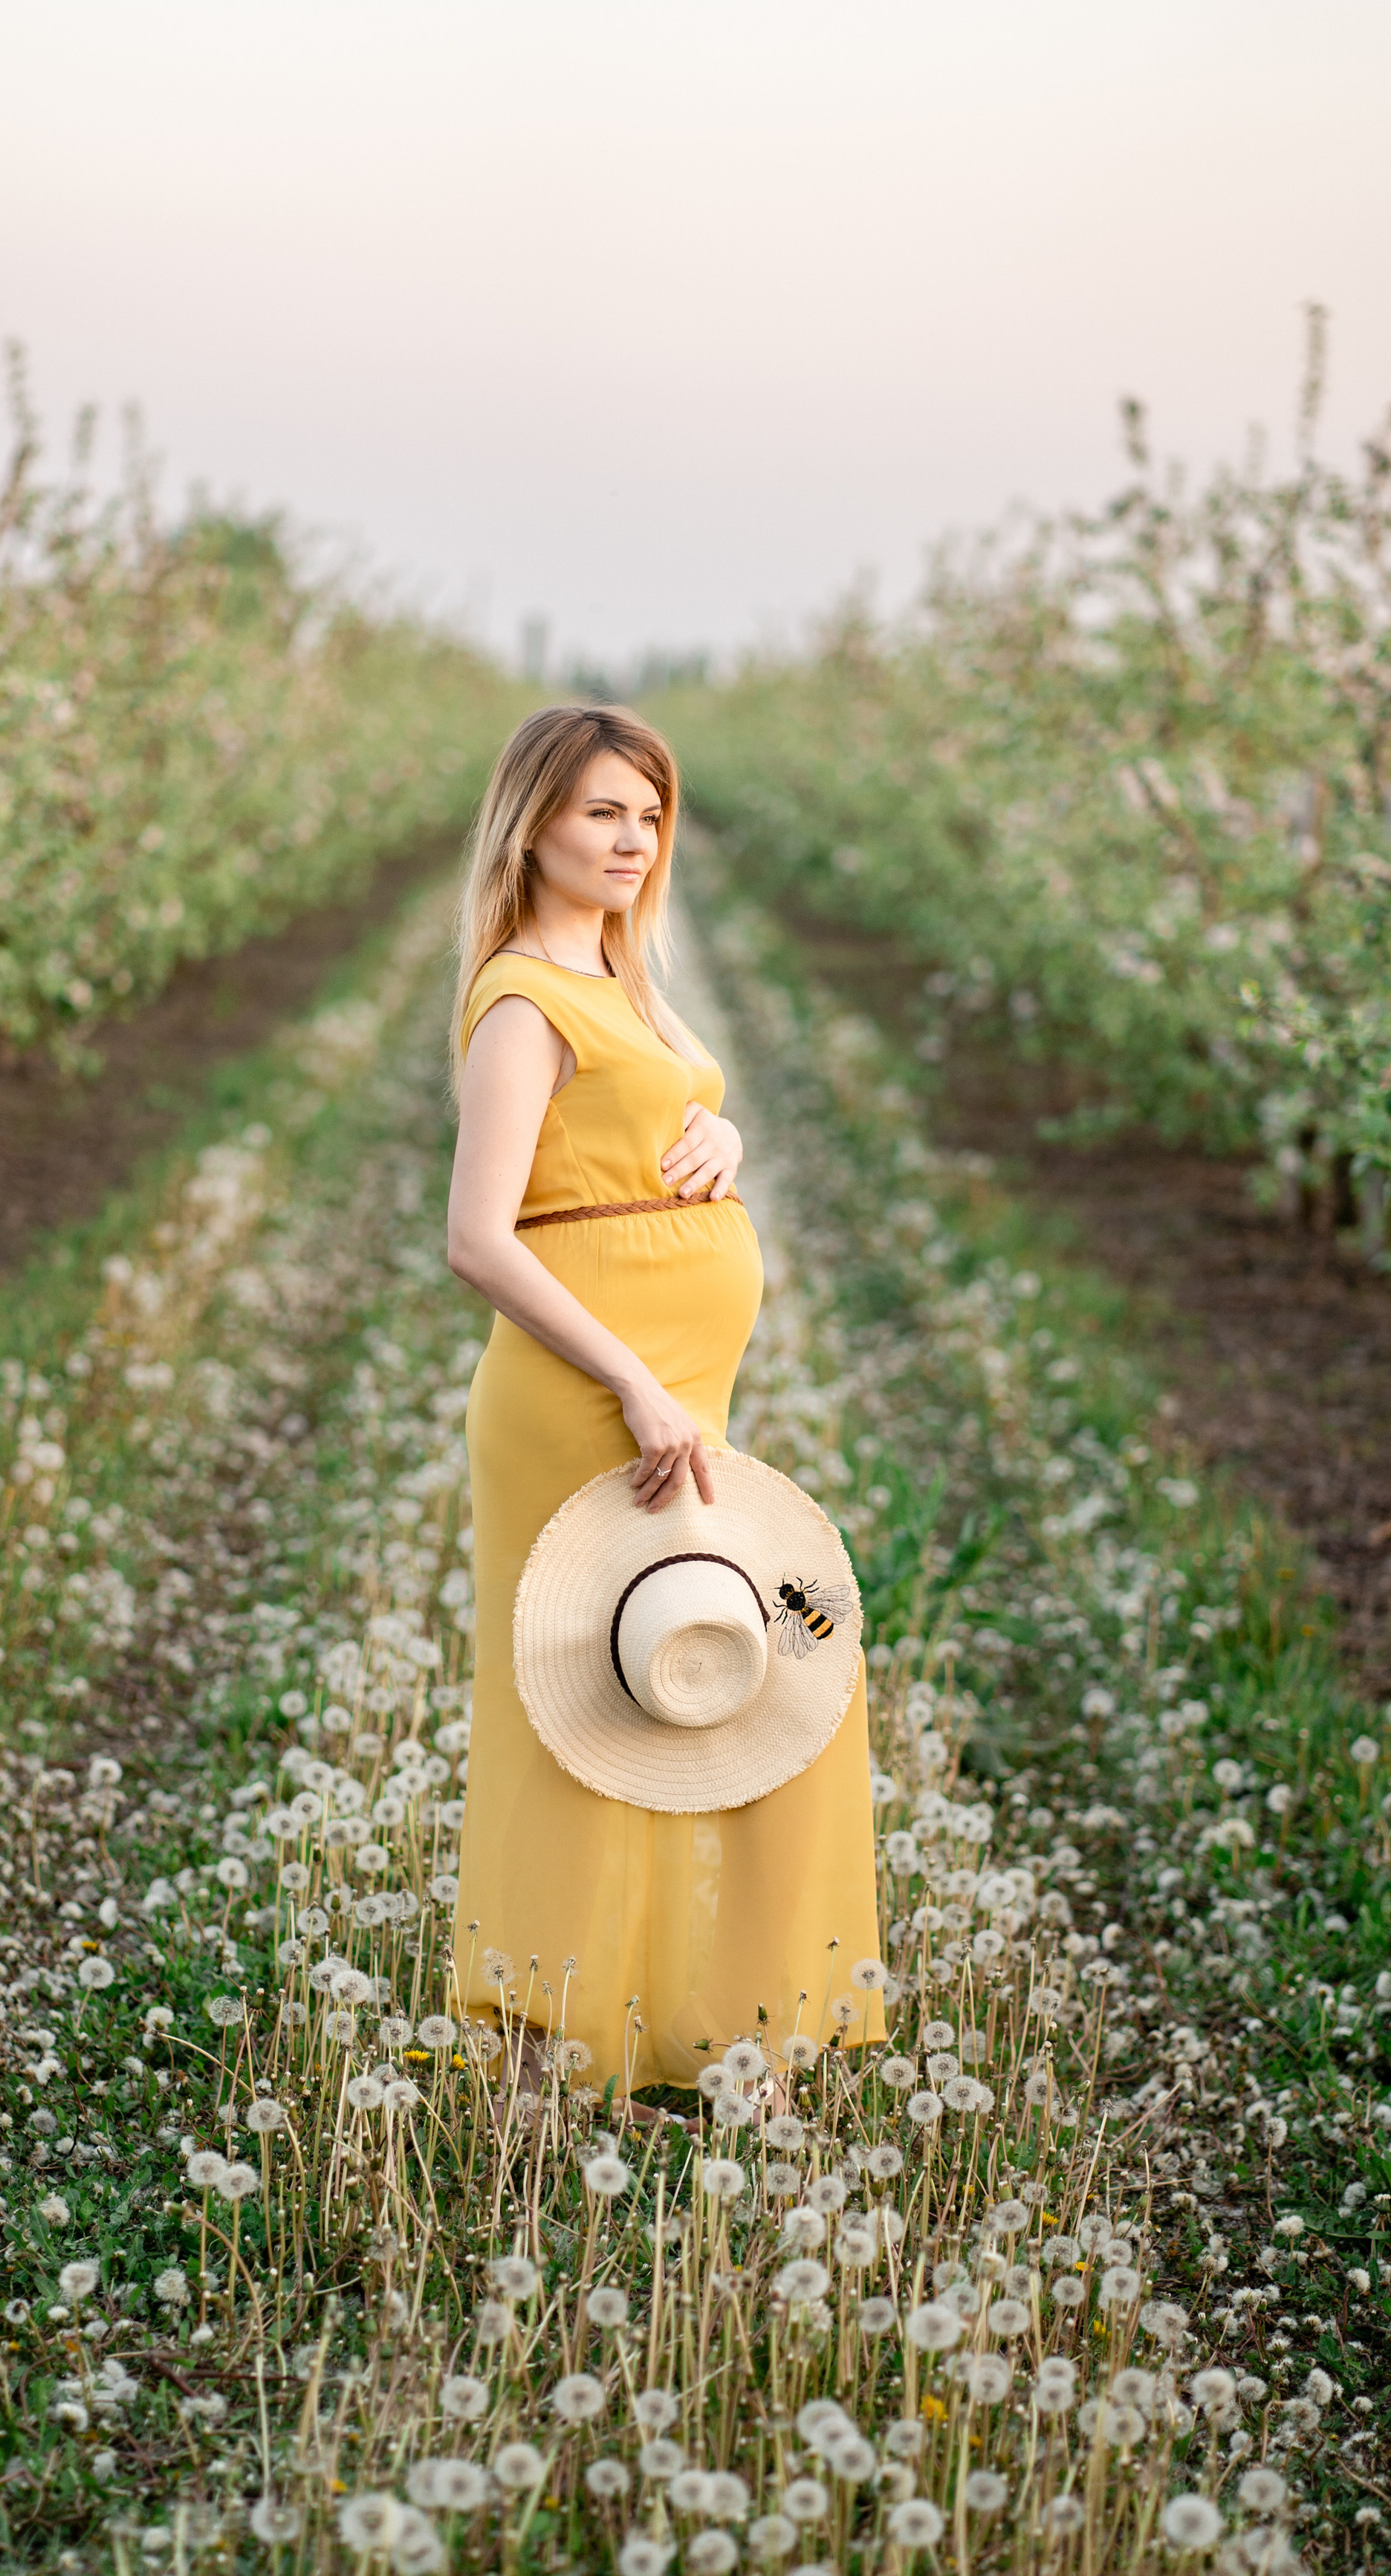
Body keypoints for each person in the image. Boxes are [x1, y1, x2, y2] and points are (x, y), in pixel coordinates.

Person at [444, 703, 881, 2105]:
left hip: (681, 1388)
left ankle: (683, 2025)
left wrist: (729, 1129)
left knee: (712, 1677)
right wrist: (632, 1380)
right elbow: (479, 1234)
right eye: (599, 814)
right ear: (534, 825)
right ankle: (540, 2056)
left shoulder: (625, 972)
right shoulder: (525, 995)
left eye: (646, 813)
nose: (631, 840)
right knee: (578, 1701)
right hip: (594, 1395)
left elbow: (666, 1112)